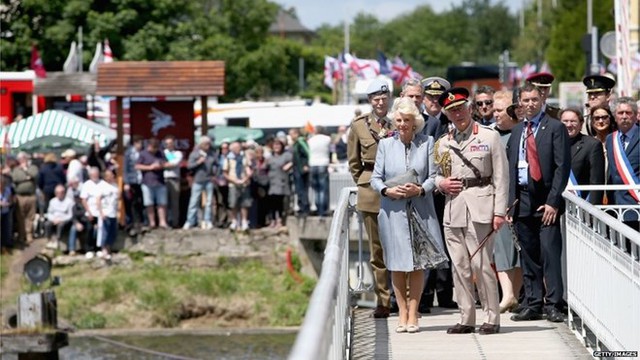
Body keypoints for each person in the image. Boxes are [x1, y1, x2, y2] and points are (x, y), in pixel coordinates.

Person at [434, 87, 508, 335]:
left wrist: (499, 212)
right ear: (447, 114)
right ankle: (466, 317)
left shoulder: (489, 137)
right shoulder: (444, 142)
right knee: (459, 266)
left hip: (481, 206)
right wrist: (440, 184)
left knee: (482, 265)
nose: (458, 114)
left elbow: (501, 177)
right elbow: (435, 175)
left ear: (470, 108)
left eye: (461, 108)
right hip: (453, 209)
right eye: (452, 111)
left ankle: (491, 317)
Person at [370, 97, 446, 334]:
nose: (402, 124)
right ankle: (401, 312)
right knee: (396, 263)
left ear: (416, 122)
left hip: (420, 209)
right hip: (392, 210)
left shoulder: (427, 143)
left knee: (417, 265)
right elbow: (375, 178)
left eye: (407, 120)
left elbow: (435, 176)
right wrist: (386, 190)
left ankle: (414, 313)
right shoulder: (385, 145)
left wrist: (421, 189)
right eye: (399, 120)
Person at [506, 84, 570, 323]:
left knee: (550, 253)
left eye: (534, 99)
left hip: (546, 200)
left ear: (542, 100)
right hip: (521, 199)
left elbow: (561, 168)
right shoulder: (516, 132)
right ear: (519, 103)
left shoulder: (555, 127)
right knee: (529, 255)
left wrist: (553, 202)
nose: (530, 103)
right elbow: (511, 168)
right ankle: (533, 303)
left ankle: (554, 304)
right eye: (525, 100)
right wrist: (509, 204)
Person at [347, 78, 394, 318]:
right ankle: (383, 300)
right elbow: (354, 162)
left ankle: (405, 298)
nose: (380, 102)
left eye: (384, 98)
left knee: (400, 246)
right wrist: (365, 183)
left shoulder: (399, 120)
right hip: (371, 188)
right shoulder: (359, 126)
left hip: (397, 185)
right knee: (377, 251)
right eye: (376, 98)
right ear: (369, 101)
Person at [415, 76, 457, 312]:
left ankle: (444, 293)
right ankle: (424, 295)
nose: (434, 103)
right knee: (426, 240)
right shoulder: (418, 123)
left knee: (447, 239)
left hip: (448, 191)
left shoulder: (451, 120)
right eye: (430, 98)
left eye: (437, 99)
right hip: (426, 190)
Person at [491, 90, 523, 313]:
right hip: (497, 200)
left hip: (520, 198)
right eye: (493, 110)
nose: (495, 114)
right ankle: (508, 294)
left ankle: (514, 295)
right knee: (500, 248)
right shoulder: (489, 134)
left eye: (499, 110)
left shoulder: (522, 133)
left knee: (519, 250)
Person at [605, 97, 639, 232]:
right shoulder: (610, 139)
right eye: (620, 113)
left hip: (636, 205)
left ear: (636, 115)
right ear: (614, 116)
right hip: (615, 207)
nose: (624, 116)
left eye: (628, 113)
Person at [560, 108, 605, 204]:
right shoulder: (552, 143)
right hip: (555, 206)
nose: (568, 125)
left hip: (582, 205)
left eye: (573, 121)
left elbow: (596, 181)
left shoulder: (592, 145)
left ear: (581, 124)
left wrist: (592, 210)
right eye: (565, 121)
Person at [183, 136, 216, 230]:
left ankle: (207, 220)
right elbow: (189, 166)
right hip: (198, 180)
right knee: (194, 201)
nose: (208, 146)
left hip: (209, 180)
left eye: (209, 144)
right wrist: (198, 162)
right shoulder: (194, 154)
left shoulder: (212, 154)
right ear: (201, 145)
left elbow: (216, 164)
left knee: (209, 202)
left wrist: (215, 174)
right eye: (206, 144)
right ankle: (190, 221)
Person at [136, 138, 169, 229]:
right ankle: (152, 222)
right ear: (149, 146)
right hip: (147, 182)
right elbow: (137, 166)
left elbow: (167, 163)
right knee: (149, 203)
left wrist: (161, 165)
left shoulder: (160, 153)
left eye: (155, 148)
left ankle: (162, 222)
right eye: (152, 148)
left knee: (162, 203)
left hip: (160, 181)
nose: (154, 150)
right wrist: (150, 167)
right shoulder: (143, 154)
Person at [223, 141, 253, 231]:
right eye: (235, 148)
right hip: (233, 183)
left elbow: (248, 169)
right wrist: (234, 180)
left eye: (238, 147)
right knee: (233, 203)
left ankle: (244, 221)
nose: (237, 149)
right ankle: (234, 221)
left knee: (245, 203)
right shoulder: (228, 158)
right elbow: (225, 172)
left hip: (244, 182)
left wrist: (246, 178)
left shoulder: (244, 157)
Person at [11, 151, 39, 244]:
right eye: (20, 159)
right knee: (20, 217)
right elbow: (15, 178)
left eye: (23, 158)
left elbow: (34, 175)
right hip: (20, 196)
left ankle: (29, 235)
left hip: (31, 195)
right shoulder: (16, 169)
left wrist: (26, 170)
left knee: (30, 217)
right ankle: (21, 235)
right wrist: (27, 177)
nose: (22, 160)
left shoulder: (33, 167)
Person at [80, 167, 106, 258]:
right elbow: (83, 199)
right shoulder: (87, 185)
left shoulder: (103, 184)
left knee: (99, 232)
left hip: (101, 212)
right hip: (90, 212)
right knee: (89, 231)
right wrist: (89, 212)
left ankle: (98, 248)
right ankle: (89, 249)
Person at [267, 138, 293, 228]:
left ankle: (280, 220)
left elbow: (294, 161)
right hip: (272, 181)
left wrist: (289, 165)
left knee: (280, 202)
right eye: (275, 145)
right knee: (272, 202)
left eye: (278, 145)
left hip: (282, 181)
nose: (276, 147)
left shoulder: (287, 155)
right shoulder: (270, 157)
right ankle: (273, 219)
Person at [307, 126, 331, 217]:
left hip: (312, 164)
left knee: (316, 189)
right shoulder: (327, 139)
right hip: (323, 163)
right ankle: (323, 210)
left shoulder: (310, 140)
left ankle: (318, 208)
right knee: (323, 189)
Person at [123, 136, 144, 232]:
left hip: (141, 181)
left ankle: (140, 222)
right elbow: (125, 169)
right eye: (139, 143)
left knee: (140, 202)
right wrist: (126, 182)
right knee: (132, 203)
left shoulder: (142, 152)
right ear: (135, 143)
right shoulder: (128, 153)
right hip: (131, 181)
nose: (141, 145)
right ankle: (132, 223)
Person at [96, 169, 119, 259]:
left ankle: (109, 249)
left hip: (113, 212)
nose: (108, 177)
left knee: (111, 232)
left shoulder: (115, 186)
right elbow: (98, 200)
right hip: (105, 212)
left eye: (110, 175)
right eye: (107, 175)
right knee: (104, 232)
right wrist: (101, 212)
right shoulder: (102, 186)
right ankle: (104, 250)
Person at [44, 184, 74, 250]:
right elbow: (49, 213)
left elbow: (70, 215)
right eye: (57, 193)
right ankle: (49, 240)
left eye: (61, 193)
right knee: (47, 224)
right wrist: (53, 219)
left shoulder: (69, 201)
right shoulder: (52, 201)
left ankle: (58, 240)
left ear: (64, 193)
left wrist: (61, 220)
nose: (59, 194)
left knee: (61, 225)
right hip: (54, 219)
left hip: (64, 220)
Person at [289, 128, 310, 217]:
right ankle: (301, 208)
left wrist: (305, 165)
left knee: (302, 190)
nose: (290, 136)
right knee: (299, 190)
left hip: (300, 169)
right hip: (296, 169)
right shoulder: (296, 144)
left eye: (291, 134)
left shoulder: (300, 142)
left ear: (296, 134)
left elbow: (306, 154)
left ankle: (304, 209)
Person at [163, 135, 183, 228]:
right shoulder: (162, 152)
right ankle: (165, 222)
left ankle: (175, 222)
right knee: (164, 202)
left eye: (171, 143)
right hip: (164, 179)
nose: (169, 145)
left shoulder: (178, 153)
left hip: (175, 179)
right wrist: (165, 164)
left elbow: (174, 164)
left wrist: (164, 164)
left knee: (175, 202)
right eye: (167, 143)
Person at [214, 142, 230, 228]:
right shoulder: (217, 158)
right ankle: (219, 220)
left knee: (228, 202)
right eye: (223, 148)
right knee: (219, 202)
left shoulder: (231, 158)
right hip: (218, 182)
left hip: (229, 182)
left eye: (226, 148)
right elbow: (214, 169)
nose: (225, 150)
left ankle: (227, 219)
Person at [0, 174, 14, 253]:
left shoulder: (8, 190)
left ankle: (5, 245)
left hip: (5, 212)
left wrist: (8, 203)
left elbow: (11, 200)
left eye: (3, 184)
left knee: (5, 229)